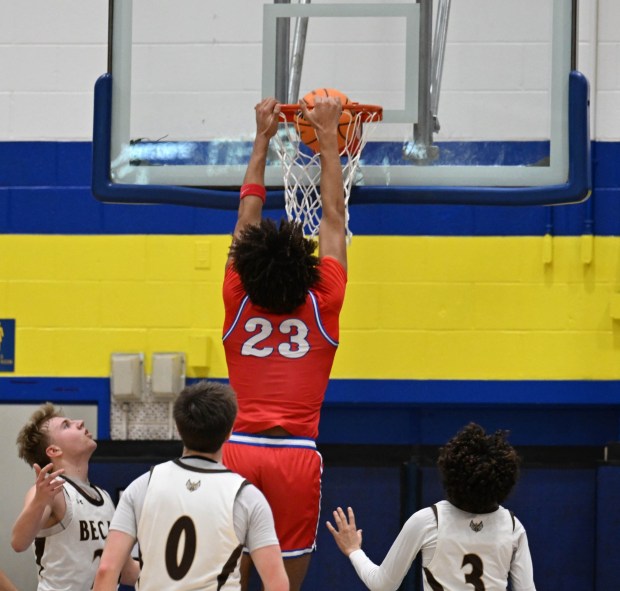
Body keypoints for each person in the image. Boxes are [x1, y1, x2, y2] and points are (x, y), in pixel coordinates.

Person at [221, 95, 347, 590]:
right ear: (309, 267)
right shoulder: (323, 301)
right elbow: (333, 218)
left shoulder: (238, 297)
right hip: (295, 454)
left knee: (226, 582)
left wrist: (262, 138)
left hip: (236, 453)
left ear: (248, 265)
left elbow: (246, 213)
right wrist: (330, 139)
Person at [93, 380, 288, 591]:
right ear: (230, 432)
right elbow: (276, 583)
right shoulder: (246, 496)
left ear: (178, 427)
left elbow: (107, 569)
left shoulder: (142, 485)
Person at [327, 423, 537, 591]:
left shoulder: (428, 520)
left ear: (450, 472)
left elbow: (382, 585)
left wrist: (354, 550)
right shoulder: (512, 526)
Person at [11, 403, 139, 591]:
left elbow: (126, 571)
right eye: (66, 425)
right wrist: (39, 502)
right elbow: (18, 542)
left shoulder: (103, 497)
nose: (80, 422)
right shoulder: (51, 491)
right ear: (54, 451)